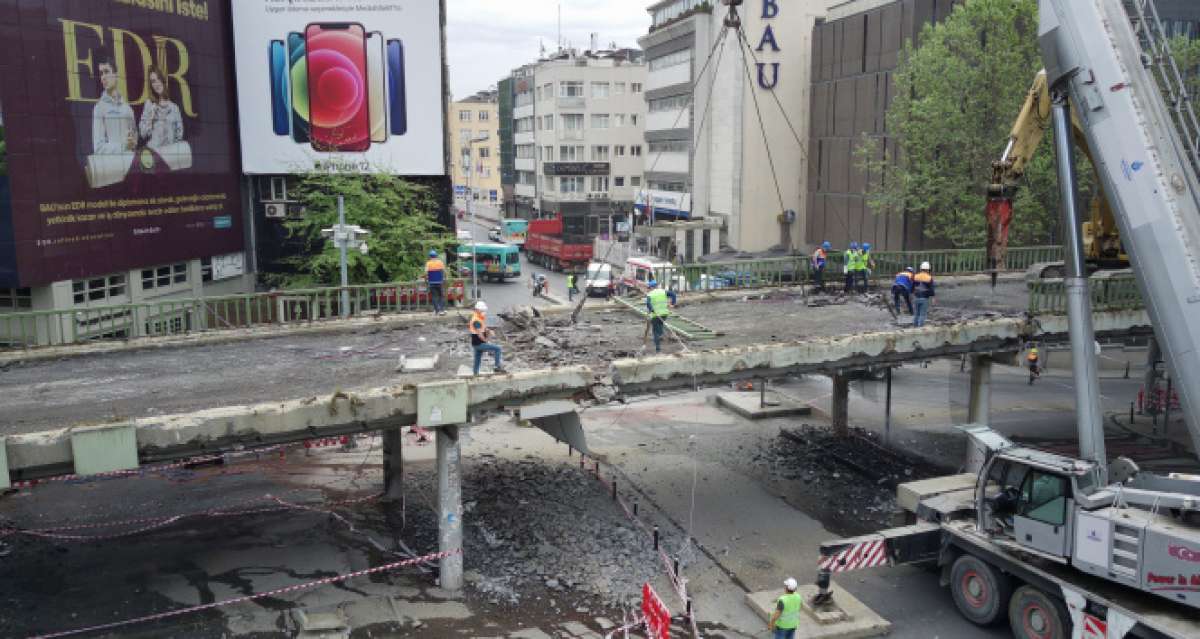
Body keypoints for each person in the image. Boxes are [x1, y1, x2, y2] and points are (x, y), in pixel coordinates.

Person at [92, 59, 136, 155]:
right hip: (113, 167)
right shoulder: (99, 108)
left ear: (116, 74)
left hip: (130, 165)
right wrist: (124, 146)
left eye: (106, 72)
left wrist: (132, 142)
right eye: (101, 73)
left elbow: (134, 142)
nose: (103, 77)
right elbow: (98, 148)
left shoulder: (127, 108)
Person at [138, 68, 184, 150]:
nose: (157, 84)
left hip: (170, 155)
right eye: (153, 81)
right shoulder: (149, 104)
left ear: (163, 80)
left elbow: (179, 136)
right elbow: (143, 133)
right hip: (154, 154)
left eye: (158, 79)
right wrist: (151, 117)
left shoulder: (174, 108)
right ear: (151, 85)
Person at [469, 301, 505, 375]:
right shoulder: (476, 320)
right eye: (482, 310)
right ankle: (497, 367)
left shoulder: (478, 317)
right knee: (497, 349)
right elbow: (479, 334)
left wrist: (489, 330)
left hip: (476, 344)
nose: (484, 312)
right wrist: (486, 341)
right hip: (479, 343)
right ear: (478, 310)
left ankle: (475, 374)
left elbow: (483, 328)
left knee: (477, 359)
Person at [645, 280, 677, 354]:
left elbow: (648, 304)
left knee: (655, 332)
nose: (648, 289)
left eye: (649, 287)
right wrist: (673, 303)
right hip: (664, 314)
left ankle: (658, 350)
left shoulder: (650, 294)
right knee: (660, 326)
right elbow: (673, 294)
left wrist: (651, 310)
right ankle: (662, 334)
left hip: (656, 315)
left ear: (651, 287)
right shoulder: (663, 291)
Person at [913, 261, 936, 327]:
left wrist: (912, 295)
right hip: (924, 298)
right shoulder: (929, 277)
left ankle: (915, 327)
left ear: (921, 269)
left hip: (916, 298)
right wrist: (933, 298)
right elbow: (931, 290)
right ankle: (920, 328)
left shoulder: (915, 276)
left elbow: (912, 287)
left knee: (916, 314)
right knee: (922, 315)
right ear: (928, 269)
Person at [426, 250, 447, 315]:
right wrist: (444, 278)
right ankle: (442, 310)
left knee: (434, 296)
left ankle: (436, 310)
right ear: (436, 256)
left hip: (431, 282)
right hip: (440, 282)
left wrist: (427, 279)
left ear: (430, 256)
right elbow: (444, 271)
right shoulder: (440, 262)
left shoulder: (428, 263)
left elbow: (426, 272)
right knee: (441, 296)